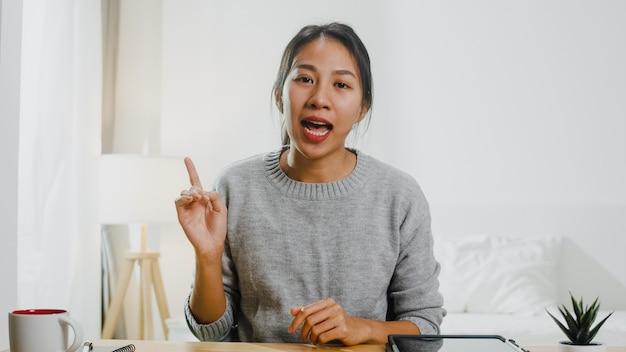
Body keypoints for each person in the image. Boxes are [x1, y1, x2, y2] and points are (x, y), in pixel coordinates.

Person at [175, 22, 445, 346]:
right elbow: (211, 330)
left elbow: (426, 331)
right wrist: (207, 256)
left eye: (341, 84)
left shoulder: (400, 197)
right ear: (279, 96)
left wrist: (359, 328)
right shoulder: (234, 186)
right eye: (305, 79)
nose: (320, 98)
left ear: (363, 108)